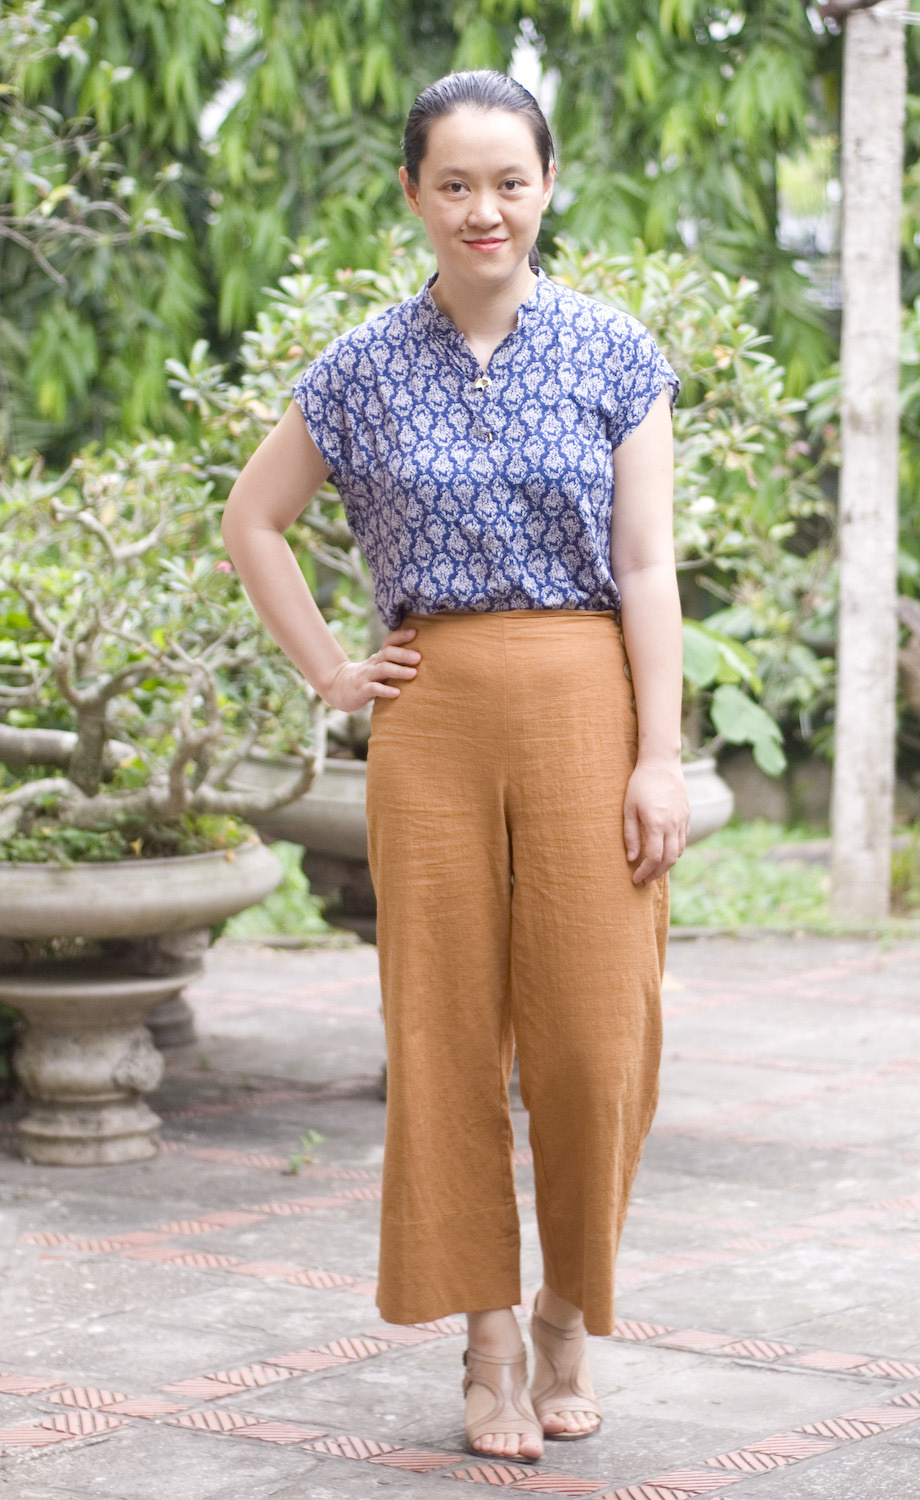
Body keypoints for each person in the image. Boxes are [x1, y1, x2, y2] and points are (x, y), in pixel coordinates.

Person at [221, 69, 689, 1465]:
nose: (486, 208)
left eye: (510, 181)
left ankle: (566, 1314)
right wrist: (332, 672)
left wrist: (661, 757)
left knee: (597, 1040)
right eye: (456, 184)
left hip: (588, 704)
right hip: (430, 719)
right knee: (441, 1039)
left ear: (547, 186)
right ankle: (486, 1343)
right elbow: (253, 521)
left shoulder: (614, 351)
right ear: (415, 194)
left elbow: (647, 565)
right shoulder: (361, 366)